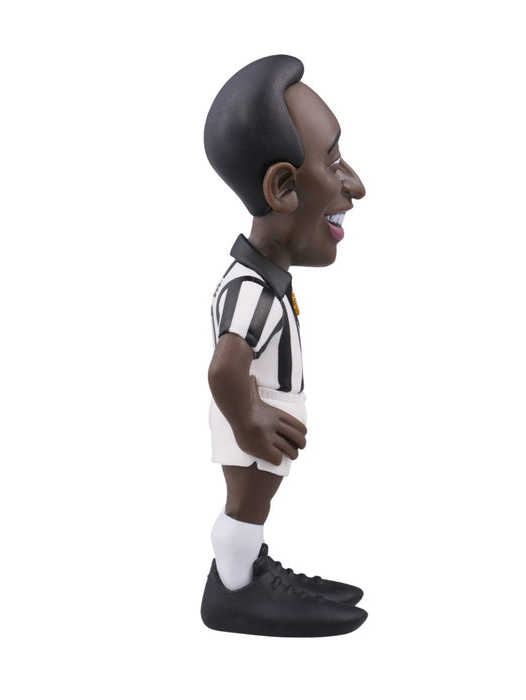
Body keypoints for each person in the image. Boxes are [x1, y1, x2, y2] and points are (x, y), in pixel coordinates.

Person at [200, 55, 368, 637]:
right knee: (248, 502)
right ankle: (235, 590)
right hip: (253, 426)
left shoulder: (265, 281)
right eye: (334, 162)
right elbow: (224, 367)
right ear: (284, 187)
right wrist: (249, 420)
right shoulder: (249, 289)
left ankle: (246, 571)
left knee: (258, 501)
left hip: (261, 421)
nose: (356, 185)